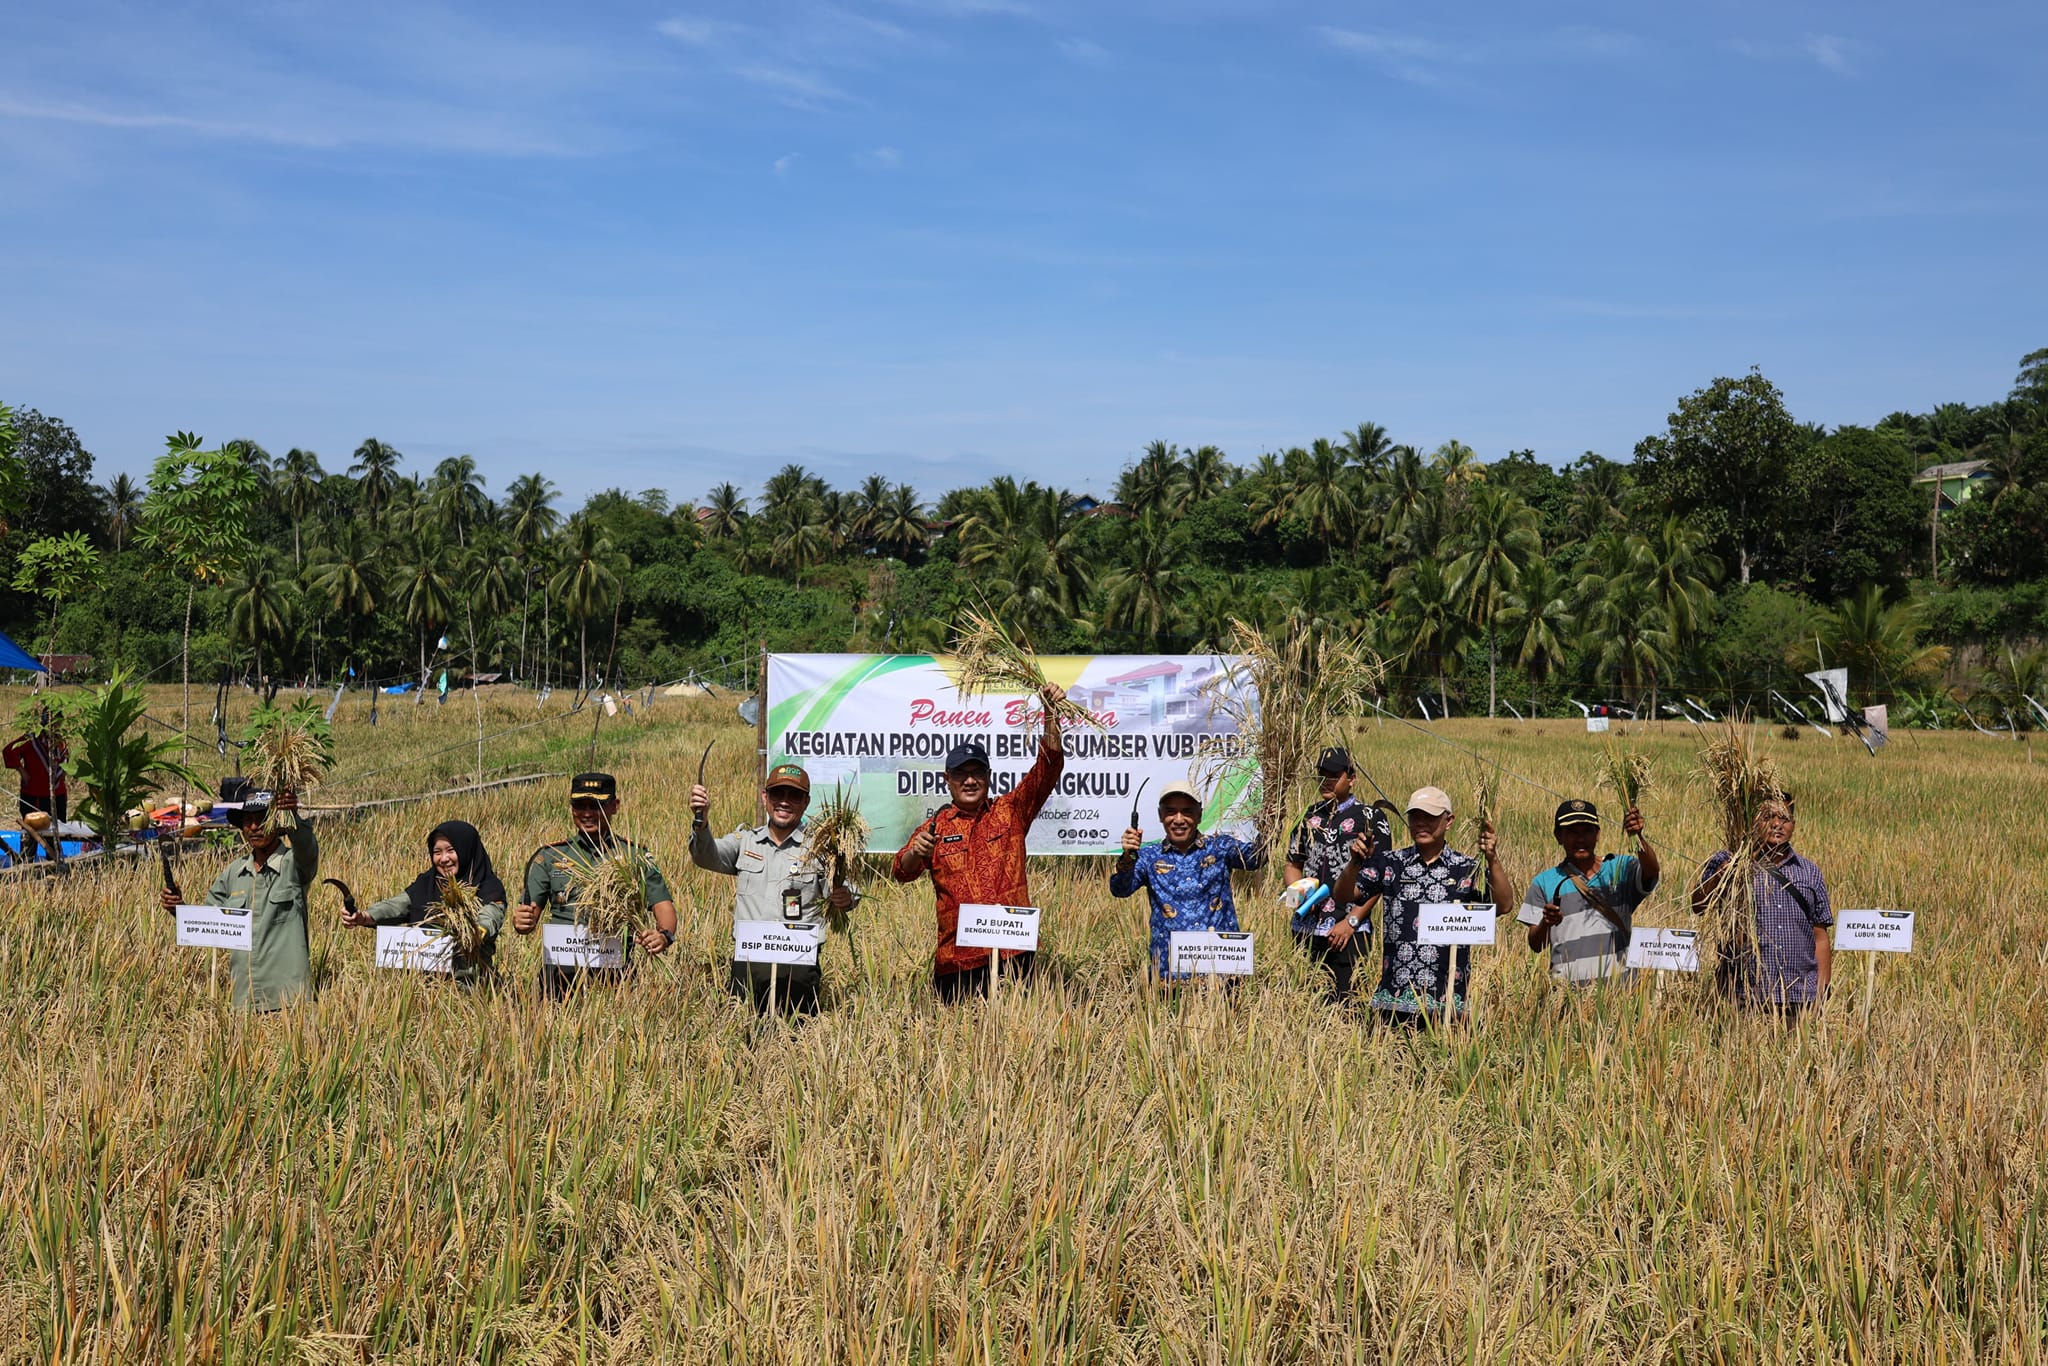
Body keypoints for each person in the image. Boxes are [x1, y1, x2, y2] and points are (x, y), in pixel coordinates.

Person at [892, 682, 1067, 1002]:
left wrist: (1050, 713)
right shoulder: (934, 827)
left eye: (977, 772)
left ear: (988, 776)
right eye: (961, 774)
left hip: (1013, 958)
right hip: (956, 964)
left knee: (1016, 1044)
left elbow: (1049, 765)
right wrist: (916, 852)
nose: (969, 780)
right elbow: (901, 871)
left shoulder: (1011, 811)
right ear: (947, 779)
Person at [1331, 786, 1517, 1026]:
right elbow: (1344, 895)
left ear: (1448, 821)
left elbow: (1503, 905)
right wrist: (1355, 863)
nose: (1421, 823)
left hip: (1448, 1002)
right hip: (1394, 998)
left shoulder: (1465, 868)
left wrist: (1492, 858)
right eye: (1415, 816)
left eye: (1429, 817)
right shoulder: (1391, 863)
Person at [689, 760, 858, 1016]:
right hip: (750, 966)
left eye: (794, 795)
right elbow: (706, 856)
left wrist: (845, 897)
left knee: (798, 1043)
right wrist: (701, 822)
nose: (785, 801)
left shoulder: (820, 848)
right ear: (765, 797)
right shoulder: (745, 841)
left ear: (805, 802)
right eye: (778, 793)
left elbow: (845, 888)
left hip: (798, 969)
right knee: (744, 1041)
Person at [510, 772, 677, 998]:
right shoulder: (550, 856)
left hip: (615, 977)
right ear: (571, 808)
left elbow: (663, 907)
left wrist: (663, 936)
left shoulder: (634, 855)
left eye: (597, 805)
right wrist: (521, 921)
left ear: (614, 806)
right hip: (559, 977)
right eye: (580, 805)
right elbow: (528, 917)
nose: (587, 813)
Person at [159, 788, 320, 1010]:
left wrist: (292, 814)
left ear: (277, 823)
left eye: (262, 819)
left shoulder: (293, 865)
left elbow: (307, 849)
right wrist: (179, 909)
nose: (254, 827)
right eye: (248, 821)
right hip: (245, 1004)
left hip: (289, 1002)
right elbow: (209, 924)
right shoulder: (233, 873)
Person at [1111, 779, 1266, 982]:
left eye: (1187, 811)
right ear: (1160, 815)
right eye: (1170, 811)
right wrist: (1128, 856)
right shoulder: (1149, 857)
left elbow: (1258, 857)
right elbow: (1120, 889)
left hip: (1220, 976)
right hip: (1168, 978)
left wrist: (1273, 816)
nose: (1178, 819)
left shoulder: (1220, 847)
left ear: (1199, 814)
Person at [1691, 795, 1832, 1016]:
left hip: (1799, 998)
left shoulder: (1809, 872)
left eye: (1785, 818)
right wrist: (1724, 873)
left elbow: (1820, 936)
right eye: (1768, 817)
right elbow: (1698, 905)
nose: (1777, 824)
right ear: (1753, 820)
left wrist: (1821, 992)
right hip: (1743, 996)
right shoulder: (1728, 862)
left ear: (1793, 824)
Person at [1283, 747, 1393, 1004]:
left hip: (1349, 932)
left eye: (1333, 775)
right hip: (1306, 929)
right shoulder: (1308, 816)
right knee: (1304, 1006)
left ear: (1351, 777)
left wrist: (1351, 921)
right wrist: (1298, 898)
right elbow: (1292, 863)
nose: (1326, 781)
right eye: (1321, 775)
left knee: (1348, 1006)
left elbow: (1380, 877)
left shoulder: (1371, 818)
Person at [339, 819, 506, 985]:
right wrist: (365, 916)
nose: (444, 858)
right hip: (423, 984)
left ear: (466, 850)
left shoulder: (487, 886)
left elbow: (491, 914)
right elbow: (399, 905)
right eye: (437, 852)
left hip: (468, 985)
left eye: (450, 850)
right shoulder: (427, 883)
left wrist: (477, 931)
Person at [1521, 798, 1661, 985]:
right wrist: (1546, 923)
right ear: (1558, 836)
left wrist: (1638, 837)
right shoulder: (1544, 882)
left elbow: (1651, 872)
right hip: (1568, 998)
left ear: (1598, 834)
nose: (1580, 839)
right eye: (1572, 832)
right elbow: (1535, 945)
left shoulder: (1620, 868)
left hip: (1619, 994)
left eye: (1587, 831)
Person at [5, 710, 69, 824]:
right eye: (52, 721)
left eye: (58, 722)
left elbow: (65, 760)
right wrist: (22, 771)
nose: (55, 726)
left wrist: (64, 773)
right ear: (45, 720)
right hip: (35, 794)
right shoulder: (32, 738)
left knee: (59, 828)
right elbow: (9, 751)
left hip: (57, 793)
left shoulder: (60, 741)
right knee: (32, 832)